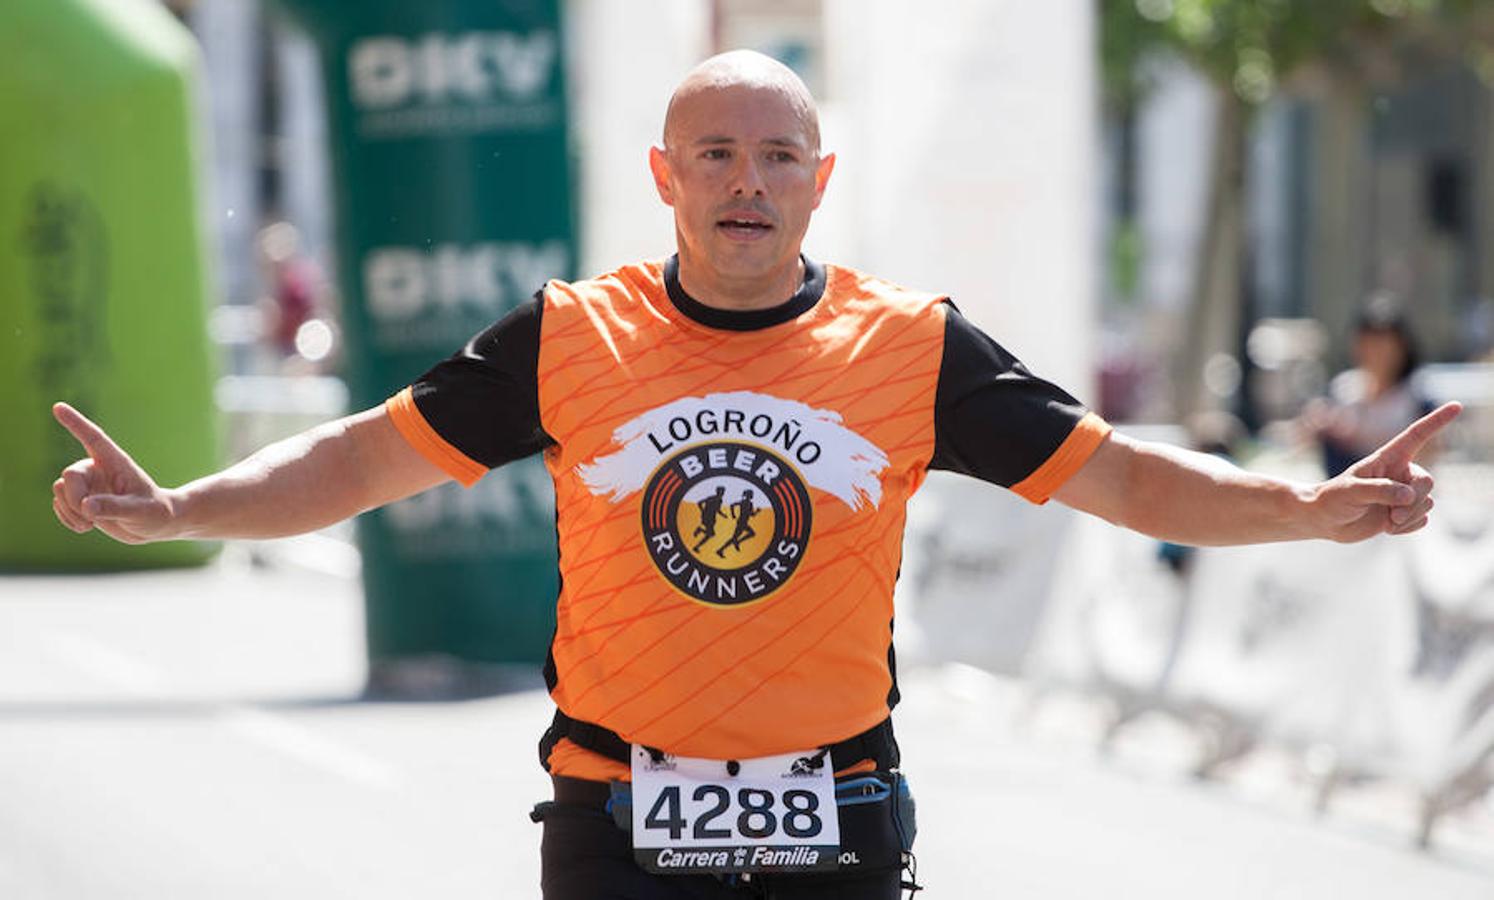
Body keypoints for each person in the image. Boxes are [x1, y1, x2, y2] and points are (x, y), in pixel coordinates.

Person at [49, 51, 1458, 900]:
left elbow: (1123, 482)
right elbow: (359, 457)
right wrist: (180, 506)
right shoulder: (568, 335)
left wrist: (1305, 510)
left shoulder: (910, 347)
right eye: (716, 154)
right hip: (613, 812)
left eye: (776, 156)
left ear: (817, 179)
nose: (747, 180)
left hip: (834, 811)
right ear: (666, 174)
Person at [1302, 295, 1433, 477]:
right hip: (1342, 494)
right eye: (1368, 344)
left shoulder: (1416, 396)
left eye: (1382, 345)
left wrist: (1357, 436)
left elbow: (1428, 453)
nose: (1375, 353)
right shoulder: (1342, 388)